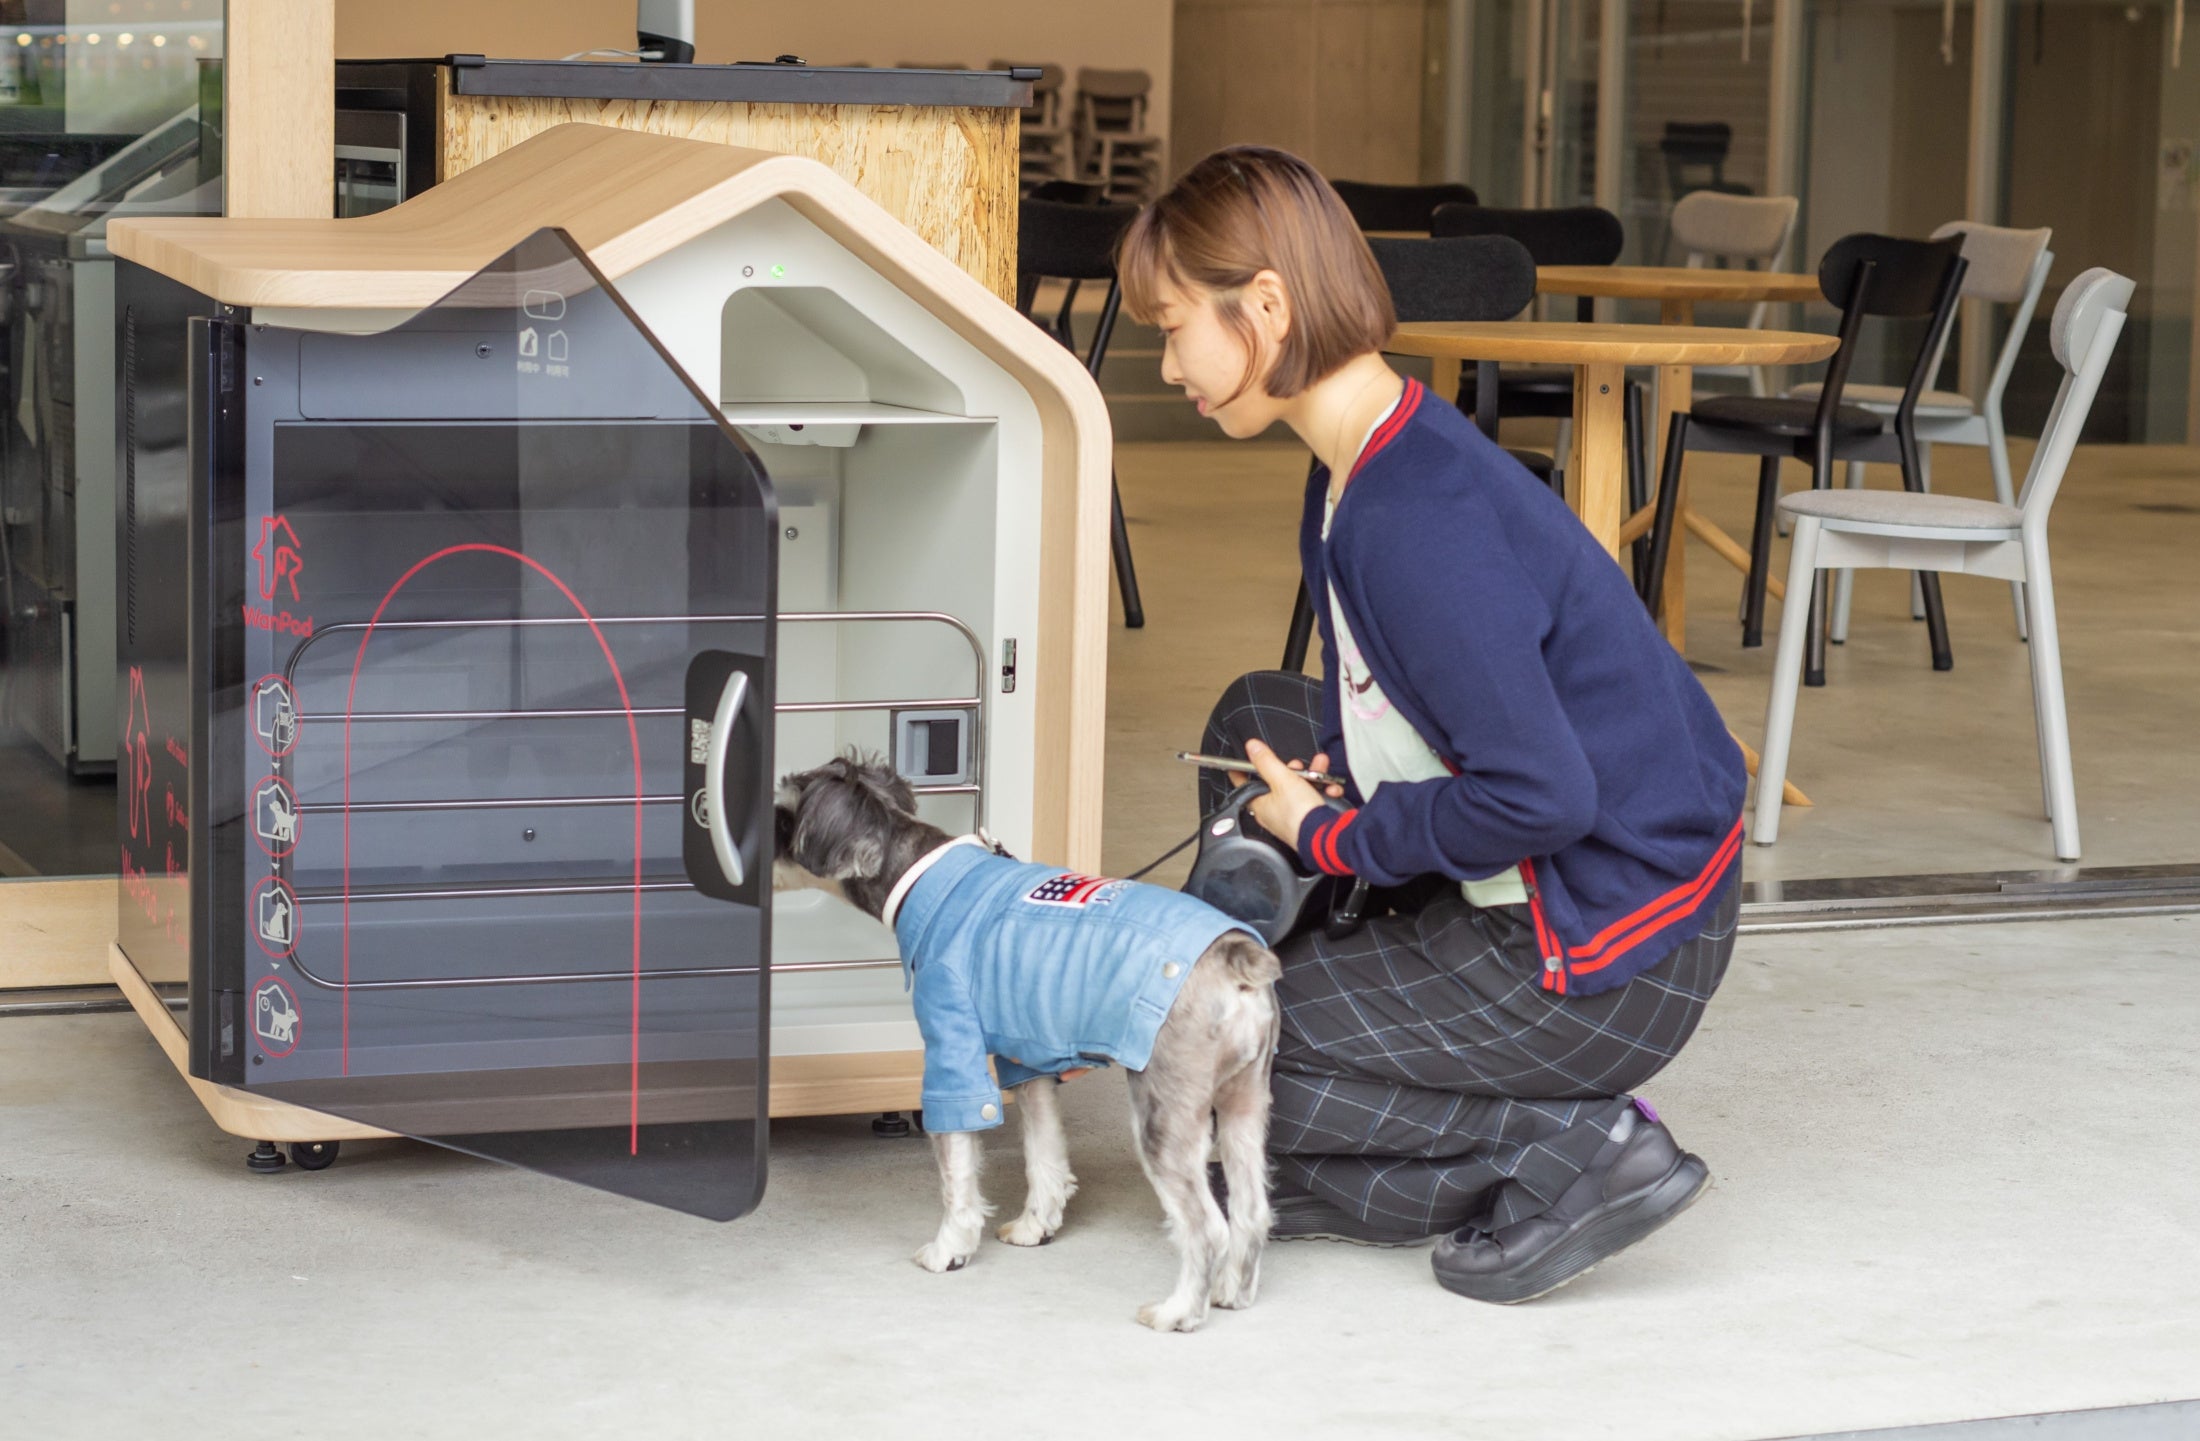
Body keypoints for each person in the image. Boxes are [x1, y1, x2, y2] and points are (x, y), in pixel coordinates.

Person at [1115, 146, 1746, 1304]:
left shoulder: (1411, 520)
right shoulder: (1360, 459)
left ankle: (1571, 1147)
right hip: (1604, 872)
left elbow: (1542, 797)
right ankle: (1372, 1050)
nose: (1166, 365)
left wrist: (1337, 838)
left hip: (1604, 941)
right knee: (1253, 717)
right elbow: (1414, 695)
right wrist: (1342, 778)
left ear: (1265, 306)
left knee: (1195, 1049)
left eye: (1170, 328)